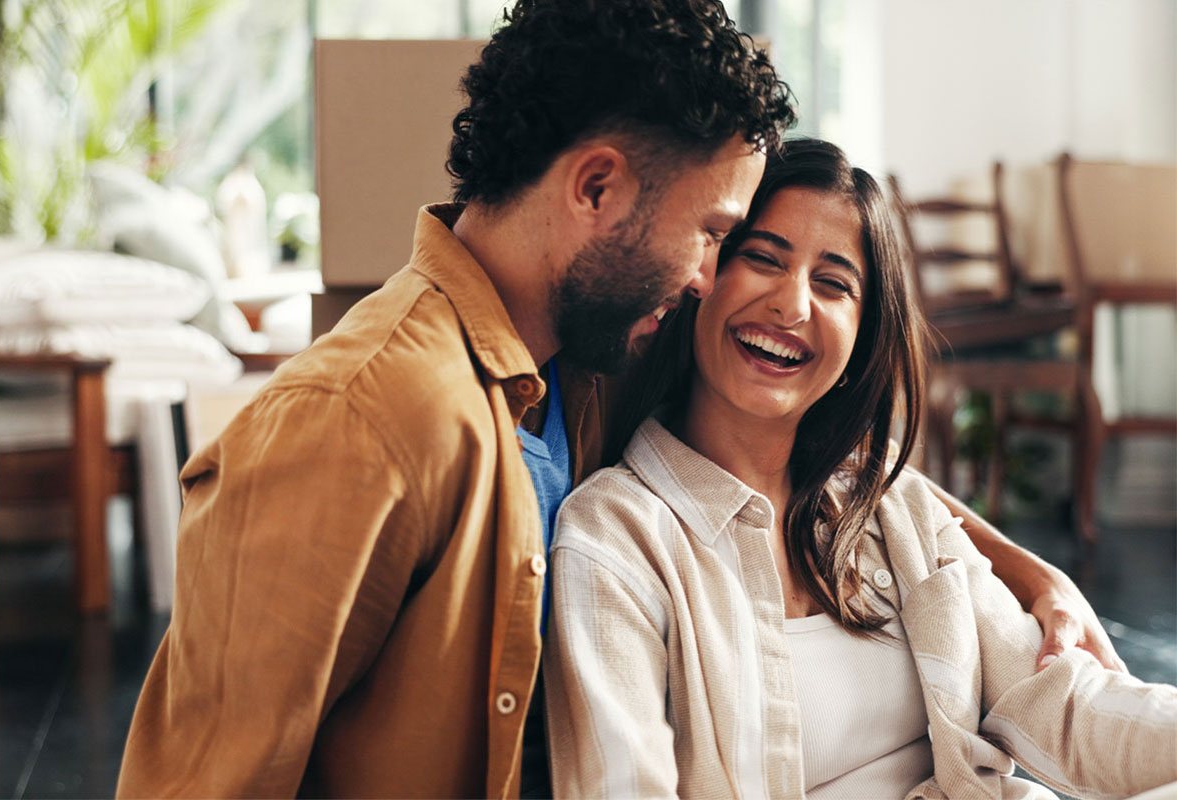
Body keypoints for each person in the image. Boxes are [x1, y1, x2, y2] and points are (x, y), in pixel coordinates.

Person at [117, 1, 1126, 796]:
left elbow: (815, 466)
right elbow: (201, 781)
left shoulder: (582, 362)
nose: (707, 277)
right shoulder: (361, 422)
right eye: (711, 234)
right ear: (596, 189)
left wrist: (1028, 574)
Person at [543, 139, 1177, 799]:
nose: (792, 307)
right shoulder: (617, 536)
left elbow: (1064, 708)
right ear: (705, 275)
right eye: (762, 259)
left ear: (862, 337)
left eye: (833, 283)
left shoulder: (891, 508)